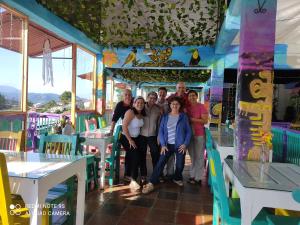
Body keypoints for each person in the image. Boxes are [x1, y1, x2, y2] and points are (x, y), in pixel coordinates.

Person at [142, 97, 192, 194]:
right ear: (170, 105)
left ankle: (177, 178)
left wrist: (185, 144)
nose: (175, 106)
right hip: (167, 145)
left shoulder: (183, 117)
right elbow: (161, 131)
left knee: (180, 164)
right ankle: (151, 183)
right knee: (160, 163)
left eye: (177, 104)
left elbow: (188, 132)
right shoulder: (165, 116)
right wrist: (163, 144)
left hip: (180, 145)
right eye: (173, 104)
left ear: (179, 106)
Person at [120, 96, 146, 189]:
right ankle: (133, 180)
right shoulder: (130, 112)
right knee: (135, 156)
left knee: (134, 155)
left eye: (142, 103)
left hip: (136, 137)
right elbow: (124, 126)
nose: (140, 104)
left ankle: (128, 175)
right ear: (134, 103)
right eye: (138, 102)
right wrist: (130, 140)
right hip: (126, 137)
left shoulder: (141, 113)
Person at [165, 82, 189, 179]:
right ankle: (170, 173)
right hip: (171, 125)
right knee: (170, 155)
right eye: (179, 87)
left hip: (183, 126)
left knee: (180, 153)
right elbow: (167, 108)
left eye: (183, 88)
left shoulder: (188, 98)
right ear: (176, 88)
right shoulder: (171, 97)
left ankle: (178, 175)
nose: (181, 89)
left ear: (185, 89)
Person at [110, 89, 133, 181]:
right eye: (126, 95)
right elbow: (114, 119)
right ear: (123, 96)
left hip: (135, 133)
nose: (128, 96)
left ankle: (132, 171)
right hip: (124, 133)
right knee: (130, 150)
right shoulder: (120, 105)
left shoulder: (134, 103)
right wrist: (111, 130)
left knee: (135, 150)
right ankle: (127, 174)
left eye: (129, 95)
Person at [186, 90, 208, 184]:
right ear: (188, 97)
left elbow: (205, 121)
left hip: (199, 134)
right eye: (190, 96)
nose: (192, 97)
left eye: (193, 95)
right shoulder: (186, 108)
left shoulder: (201, 106)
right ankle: (192, 175)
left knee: (199, 156)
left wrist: (191, 119)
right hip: (189, 135)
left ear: (197, 96)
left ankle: (198, 178)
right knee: (192, 156)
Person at [140, 92, 162, 183]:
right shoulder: (141, 106)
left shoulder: (158, 109)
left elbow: (159, 124)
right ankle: (143, 175)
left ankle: (156, 174)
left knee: (155, 154)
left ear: (156, 100)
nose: (152, 100)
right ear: (147, 98)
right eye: (150, 98)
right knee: (142, 155)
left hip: (153, 136)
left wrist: (159, 136)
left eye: (154, 98)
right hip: (141, 135)